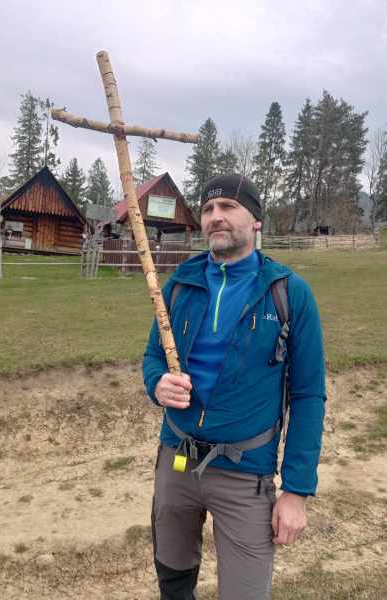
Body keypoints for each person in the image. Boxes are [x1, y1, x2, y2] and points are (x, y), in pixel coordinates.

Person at [143, 174, 326, 600]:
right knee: (172, 579)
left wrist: (297, 491)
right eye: (208, 209)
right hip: (177, 459)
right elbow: (153, 355)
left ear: (256, 220)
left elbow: (308, 396)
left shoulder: (288, 293)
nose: (215, 217)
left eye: (228, 207)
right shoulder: (180, 284)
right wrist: (157, 383)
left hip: (246, 473)